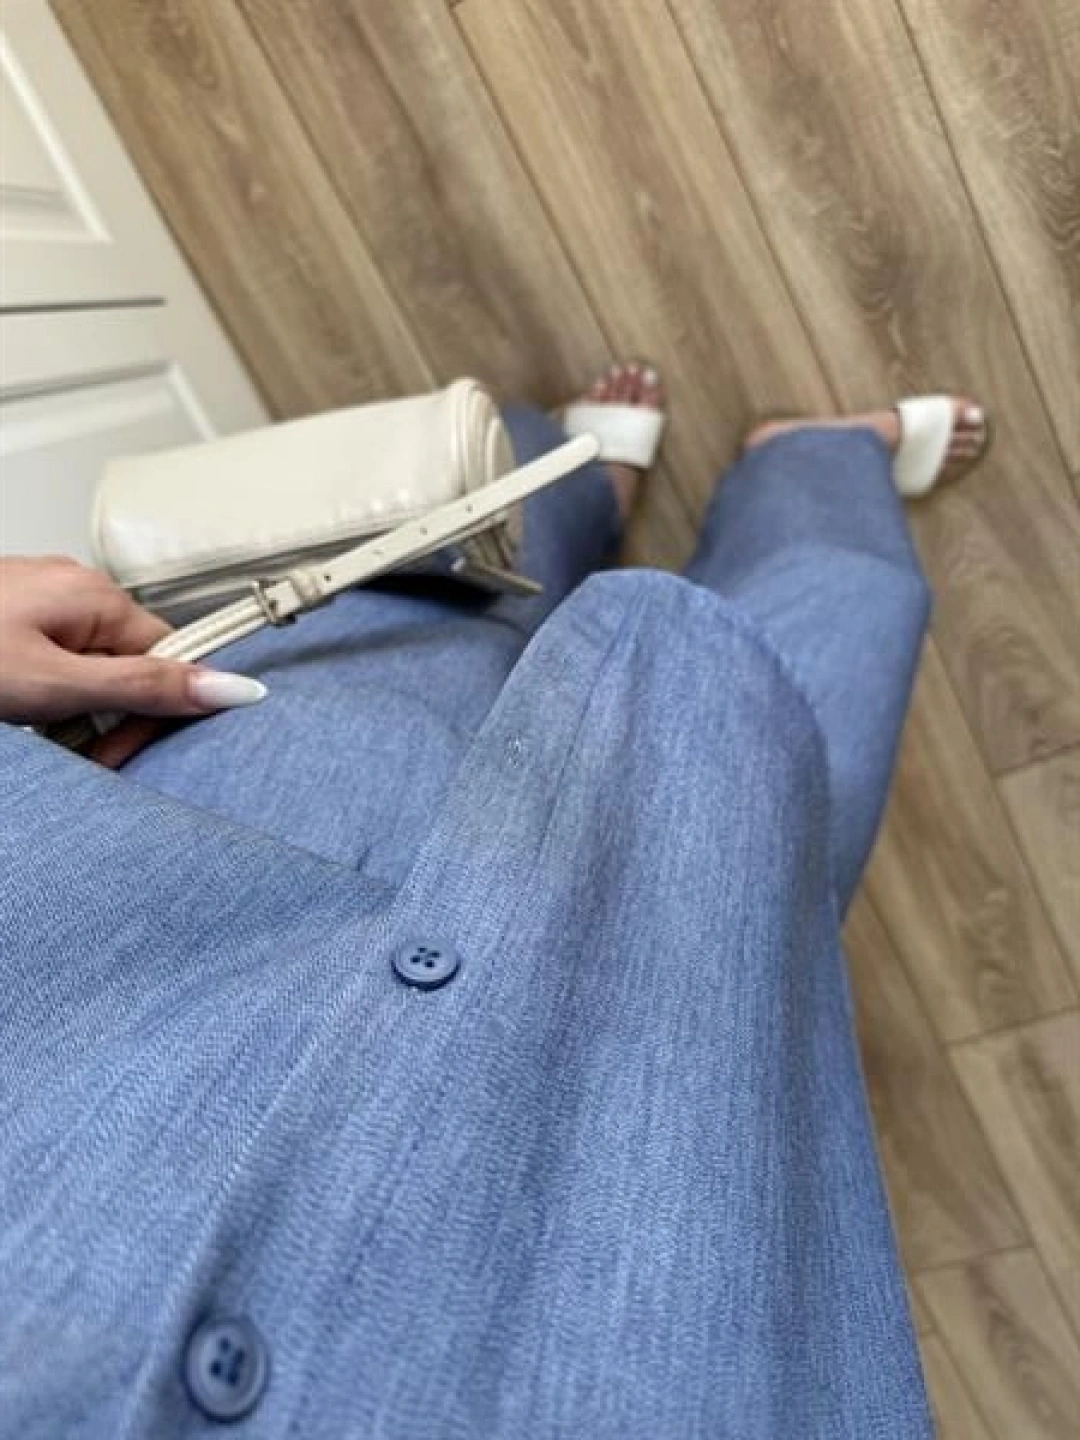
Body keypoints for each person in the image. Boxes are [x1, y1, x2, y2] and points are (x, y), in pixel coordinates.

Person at [0, 365, 988, 1439]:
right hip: (633, 1311)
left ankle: (583, 483)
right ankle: (811, 466)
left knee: (428, 594)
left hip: (130, 942)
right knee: (773, 768)